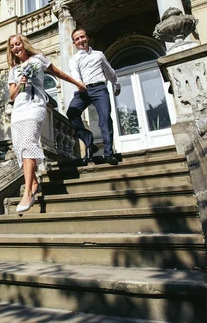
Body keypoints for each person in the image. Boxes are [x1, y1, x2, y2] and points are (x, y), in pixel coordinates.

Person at [7, 34, 86, 213]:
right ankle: (34, 181)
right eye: (12, 46)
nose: (15, 48)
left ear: (24, 44)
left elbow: (57, 72)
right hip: (19, 108)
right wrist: (20, 83)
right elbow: (12, 95)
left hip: (35, 106)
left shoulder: (38, 59)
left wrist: (76, 83)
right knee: (20, 147)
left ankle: (27, 193)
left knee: (28, 143)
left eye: (17, 44)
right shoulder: (13, 70)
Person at [67, 28, 121, 165]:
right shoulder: (74, 59)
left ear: (87, 38)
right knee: (72, 112)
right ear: (74, 43)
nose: (81, 40)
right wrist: (79, 84)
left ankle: (109, 153)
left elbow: (109, 71)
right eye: (77, 39)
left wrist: (117, 84)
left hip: (99, 89)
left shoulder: (99, 55)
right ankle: (89, 141)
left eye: (82, 37)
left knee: (104, 119)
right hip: (83, 90)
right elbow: (74, 73)